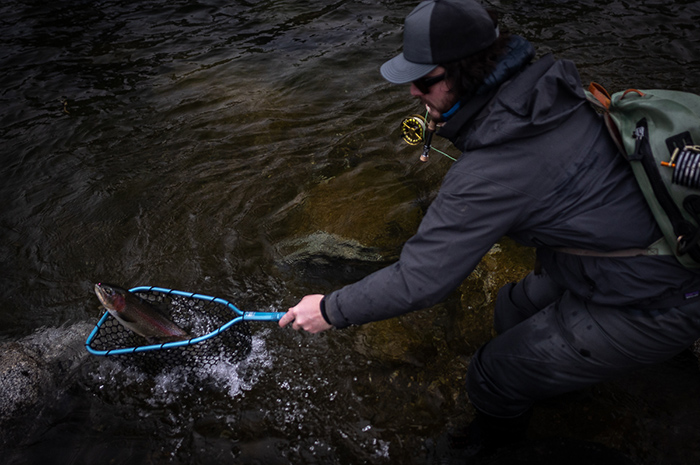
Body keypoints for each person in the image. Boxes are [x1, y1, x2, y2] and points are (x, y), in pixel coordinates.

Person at [279, 0, 700, 456]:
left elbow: (420, 281)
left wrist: (330, 308)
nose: (413, 94)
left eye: (423, 81)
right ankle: (569, 382)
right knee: (510, 308)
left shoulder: (490, 172)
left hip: (662, 297)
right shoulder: (554, 94)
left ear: (464, 72)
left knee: (490, 374)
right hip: (625, 258)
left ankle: (496, 447)